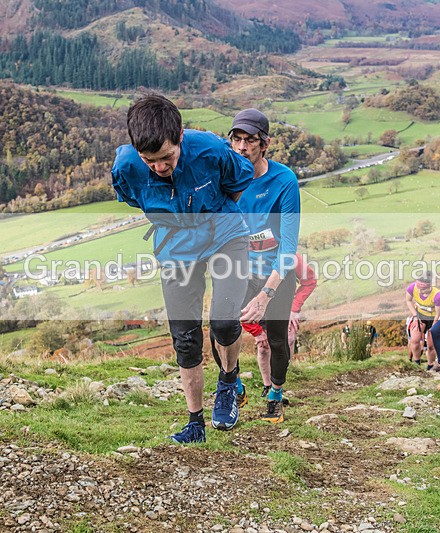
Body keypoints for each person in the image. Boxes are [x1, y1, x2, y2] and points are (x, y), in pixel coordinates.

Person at [111, 94, 253, 444]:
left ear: (180, 137)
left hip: (226, 237)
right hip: (175, 248)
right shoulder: (126, 166)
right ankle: (195, 424)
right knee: (186, 339)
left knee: (223, 321)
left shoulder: (209, 149)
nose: (160, 167)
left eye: (167, 158)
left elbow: (239, 179)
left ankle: (229, 382)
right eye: (151, 161)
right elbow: (134, 197)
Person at [210, 108, 300, 425]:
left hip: (275, 273)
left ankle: (275, 393)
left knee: (276, 339)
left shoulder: (283, 181)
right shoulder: (223, 177)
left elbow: (289, 248)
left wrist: (265, 295)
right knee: (218, 330)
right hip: (238, 270)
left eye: (251, 140)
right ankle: (233, 384)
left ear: (265, 144)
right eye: (237, 139)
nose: (243, 147)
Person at [241, 253, 317, 398]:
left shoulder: (291, 256)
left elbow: (310, 281)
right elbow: (239, 303)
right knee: (263, 347)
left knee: (288, 339)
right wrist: (256, 332)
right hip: (256, 307)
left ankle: (279, 384)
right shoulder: (248, 258)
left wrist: (294, 309)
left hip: (283, 306)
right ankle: (267, 385)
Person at [405, 272, 440, 368]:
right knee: (414, 339)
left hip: (433, 318)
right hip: (419, 315)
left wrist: (434, 328)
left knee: (431, 345)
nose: (419, 291)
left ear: (429, 287)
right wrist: (414, 315)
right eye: (418, 288)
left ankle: (430, 365)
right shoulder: (412, 288)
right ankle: (416, 363)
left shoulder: (437, 295)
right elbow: (408, 300)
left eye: (422, 289)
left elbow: (438, 314)